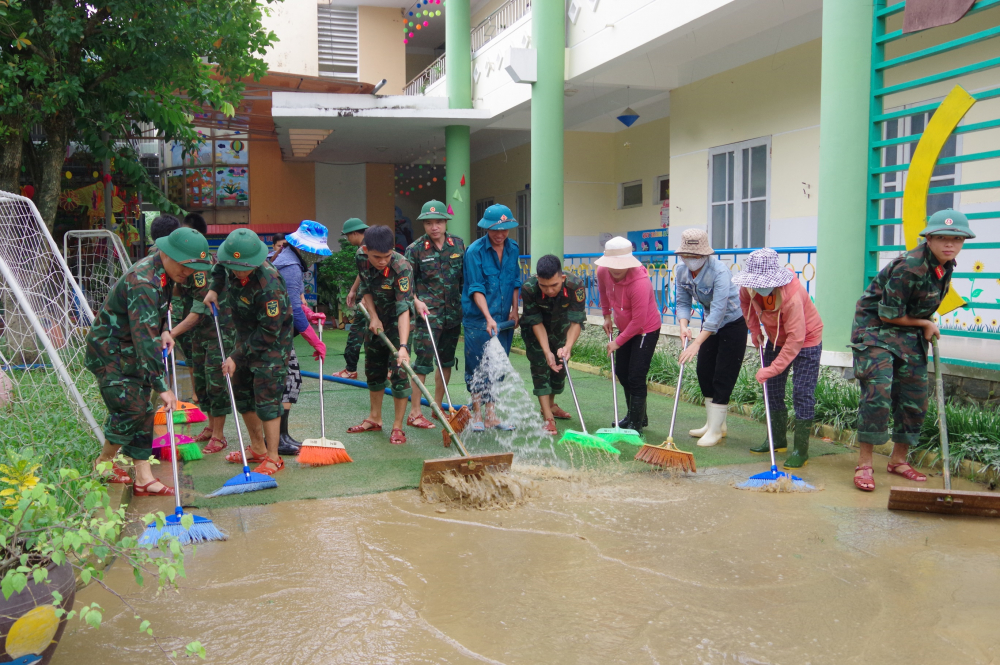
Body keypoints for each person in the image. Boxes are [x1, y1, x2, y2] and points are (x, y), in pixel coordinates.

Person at [849, 208, 974, 492]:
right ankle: (865, 464)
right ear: (928, 238)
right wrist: (925, 323)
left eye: (956, 239)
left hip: (908, 331)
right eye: (941, 237)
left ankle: (898, 460)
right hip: (876, 331)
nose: (949, 244)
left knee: (915, 395)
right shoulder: (910, 266)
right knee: (878, 392)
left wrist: (922, 323)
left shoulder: (945, 265)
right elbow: (887, 314)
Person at [86, 226, 212, 495]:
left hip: (131, 348)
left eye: (194, 267)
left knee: (145, 408)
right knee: (131, 408)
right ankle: (104, 462)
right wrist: (163, 386)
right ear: (168, 253)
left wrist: (165, 331)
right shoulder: (143, 281)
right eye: (185, 265)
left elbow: (155, 317)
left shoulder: (164, 273)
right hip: (111, 351)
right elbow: (144, 339)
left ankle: (143, 477)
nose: (188, 272)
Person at [204, 228, 294, 476]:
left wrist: (235, 356)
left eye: (243, 267)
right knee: (242, 393)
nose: (238, 271)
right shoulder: (230, 264)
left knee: (266, 399)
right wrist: (214, 288)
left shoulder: (270, 285)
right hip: (243, 337)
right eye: (234, 266)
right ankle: (257, 450)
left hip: (271, 343)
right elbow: (220, 268)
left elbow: (269, 330)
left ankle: (273, 458)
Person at [733, 248, 824, 469]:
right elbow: (745, 305)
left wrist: (772, 368)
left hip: (806, 340)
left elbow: (796, 339)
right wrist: (754, 330)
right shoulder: (748, 287)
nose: (758, 286)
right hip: (775, 338)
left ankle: (800, 450)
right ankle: (777, 440)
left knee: (802, 392)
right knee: (772, 390)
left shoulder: (791, 295)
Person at [674, 228, 747, 447]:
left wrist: (696, 343)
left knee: (723, 375)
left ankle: (716, 431)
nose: (691, 260)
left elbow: (718, 310)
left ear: (705, 255)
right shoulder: (681, 271)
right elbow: (682, 302)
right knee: (704, 371)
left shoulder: (720, 272)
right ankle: (714, 424)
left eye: (696, 257)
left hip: (732, 324)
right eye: (687, 256)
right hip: (710, 325)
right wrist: (683, 326)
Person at [167, 213, 233, 452]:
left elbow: (198, 311)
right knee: (203, 383)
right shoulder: (184, 265)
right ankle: (210, 426)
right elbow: (179, 294)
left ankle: (219, 434)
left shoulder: (201, 268)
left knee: (216, 381)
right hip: (198, 334)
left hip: (217, 331)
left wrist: (171, 334)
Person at [347, 225, 414, 444]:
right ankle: (375, 418)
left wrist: (403, 347)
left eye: (386, 256)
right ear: (366, 250)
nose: (382, 261)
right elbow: (365, 286)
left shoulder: (402, 267)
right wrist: (373, 317)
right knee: (373, 369)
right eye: (377, 257)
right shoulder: (361, 257)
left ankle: (397, 426)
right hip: (375, 320)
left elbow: (404, 308)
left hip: (398, 324)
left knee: (399, 373)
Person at [404, 200, 465, 428]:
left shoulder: (458, 245)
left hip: (452, 315)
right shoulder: (415, 249)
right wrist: (416, 302)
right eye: (429, 223)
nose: (434, 227)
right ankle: (415, 411)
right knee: (422, 363)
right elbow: (405, 286)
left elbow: (464, 281)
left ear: (445, 222)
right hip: (427, 315)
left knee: (446, 361)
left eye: (438, 222)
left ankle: (437, 405)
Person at [272, 220, 331, 455]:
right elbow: (293, 310)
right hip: (275, 334)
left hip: (277, 331)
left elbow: (291, 301)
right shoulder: (291, 266)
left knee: (289, 381)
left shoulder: (287, 259)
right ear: (305, 249)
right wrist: (315, 341)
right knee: (290, 381)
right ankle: (277, 439)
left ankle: (281, 436)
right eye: (314, 253)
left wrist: (310, 313)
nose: (316, 258)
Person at [462, 204, 522, 430]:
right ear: (486, 229)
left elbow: (515, 281)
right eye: (495, 230)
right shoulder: (474, 251)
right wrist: (487, 317)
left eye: (505, 230)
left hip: (503, 319)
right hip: (478, 321)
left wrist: (515, 310)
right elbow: (475, 287)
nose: (500, 235)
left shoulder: (513, 248)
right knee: (477, 367)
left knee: (497, 366)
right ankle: (476, 414)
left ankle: (491, 415)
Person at [596, 237, 661, 434]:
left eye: (620, 265)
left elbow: (639, 322)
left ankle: (636, 423)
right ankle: (636, 415)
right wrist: (607, 316)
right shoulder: (602, 271)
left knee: (636, 376)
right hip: (624, 327)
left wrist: (617, 342)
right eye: (612, 265)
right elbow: (603, 292)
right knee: (622, 373)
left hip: (645, 329)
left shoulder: (640, 283)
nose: (615, 269)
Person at [520, 255, 586, 434]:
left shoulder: (575, 285)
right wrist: (547, 351)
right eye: (544, 286)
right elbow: (536, 323)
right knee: (540, 368)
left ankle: (551, 405)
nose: (549, 291)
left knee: (559, 369)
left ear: (562, 278)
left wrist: (568, 347)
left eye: (554, 286)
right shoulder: (529, 288)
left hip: (562, 329)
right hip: (536, 332)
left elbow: (576, 322)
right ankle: (548, 417)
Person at [332, 218, 369, 380]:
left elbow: (367, 276)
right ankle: (390, 369)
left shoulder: (362, 251)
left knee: (356, 333)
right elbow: (362, 273)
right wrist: (353, 290)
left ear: (355, 233)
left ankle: (350, 369)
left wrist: (365, 298)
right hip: (384, 297)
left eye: (348, 236)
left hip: (369, 300)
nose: (348, 239)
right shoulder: (375, 243)